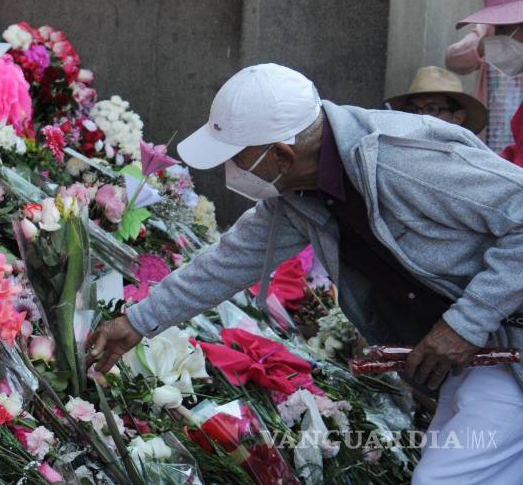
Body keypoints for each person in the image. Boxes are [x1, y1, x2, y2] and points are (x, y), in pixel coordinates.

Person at [87, 63, 523, 484]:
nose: (230, 173)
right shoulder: (300, 194)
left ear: (282, 154)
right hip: (483, 353)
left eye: (238, 159)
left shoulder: (401, 160)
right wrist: (138, 321)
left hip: (507, 342)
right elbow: (228, 261)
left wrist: (465, 323)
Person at [446, 0, 523, 151]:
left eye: (504, 25)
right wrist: (486, 45)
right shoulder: (488, 31)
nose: (499, 30)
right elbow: (453, 58)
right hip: (493, 141)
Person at [385, 66, 487, 133]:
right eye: (412, 110)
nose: (420, 117)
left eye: (431, 109)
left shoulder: (469, 161)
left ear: (458, 118)